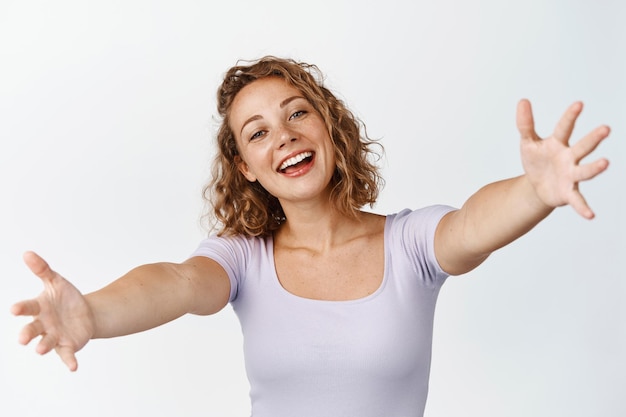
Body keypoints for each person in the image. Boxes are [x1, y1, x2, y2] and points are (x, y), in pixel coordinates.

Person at [11, 56, 610, 416]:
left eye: (298, 113)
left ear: (329, 126)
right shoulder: (242, 259)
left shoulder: (408, 245)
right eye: (258, 132)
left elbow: (471, 226)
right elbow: (175, 282)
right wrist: (92, 311)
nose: (285, 137)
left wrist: (534, 191)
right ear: (245, 166)